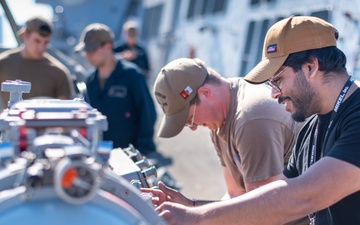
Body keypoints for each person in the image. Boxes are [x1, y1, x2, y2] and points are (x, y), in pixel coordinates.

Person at [154, 16, 360, 225]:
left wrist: (197, 218)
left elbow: (303, 196)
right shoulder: (311, 128)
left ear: (310, 67)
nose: (273, 94)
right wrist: (193, 207)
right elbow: (273, 199)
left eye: (277, 80)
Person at [143, 57, 308, 224]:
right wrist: (191, 206)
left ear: (205, 93)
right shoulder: (219, 120)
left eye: (190, 119)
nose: (193, 127)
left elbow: (262, 212)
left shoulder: (250, 119)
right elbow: (235, 196)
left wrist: (194, 216)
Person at [74, 23, 157, 156]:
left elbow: (147, 114)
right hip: (97, 156)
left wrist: (141, 151)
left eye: (91, 50)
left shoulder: (132, 75)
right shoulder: (90, 80)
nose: (87, 56)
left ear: (107, 47)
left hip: (127, 158)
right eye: (85, 52)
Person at [0, 16, 75, 109]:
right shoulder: (3, 64)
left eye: (46, 42)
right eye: (37, 41)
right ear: (24, 35)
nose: (41, 48)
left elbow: (65, 113)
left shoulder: (59, 73)